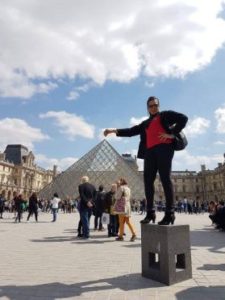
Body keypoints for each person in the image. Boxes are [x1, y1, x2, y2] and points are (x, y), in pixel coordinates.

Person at [104, 96, 188, 225]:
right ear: (147, 108)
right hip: (149, 152)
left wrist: (171, 133)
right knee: (148, 182)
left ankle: (170, 213)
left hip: (164, 148)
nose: (153, 107)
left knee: (165, 179)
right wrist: (114, 130)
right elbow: (132, 131)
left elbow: (183, 118)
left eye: (155, 105)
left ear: (159, 105)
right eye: (151, 106)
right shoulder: (145, 123)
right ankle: (150, 212)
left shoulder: (165, 115)